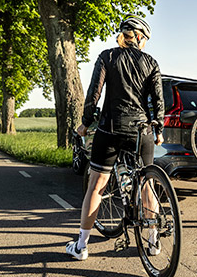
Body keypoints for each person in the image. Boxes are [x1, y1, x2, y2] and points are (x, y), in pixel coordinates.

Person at [66, 16, 165, 260]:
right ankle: (153, 241)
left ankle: (81, 246)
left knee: (97, 186)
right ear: (140, 38)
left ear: (124, 34)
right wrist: (159, 128)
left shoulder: (107, 56)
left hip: (110, 129)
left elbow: (94, 93)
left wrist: (85, 123)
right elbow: (157, 100)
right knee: (147, 184)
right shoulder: (151, 62)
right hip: (141, 130)